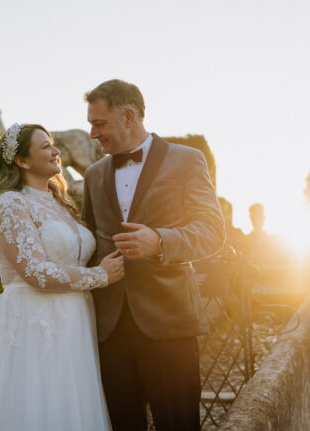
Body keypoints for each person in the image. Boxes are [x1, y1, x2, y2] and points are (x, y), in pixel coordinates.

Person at [0, 123, 124, 431]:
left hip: (76, 323)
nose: (56, 151)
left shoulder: (62, 203)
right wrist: (100, 276)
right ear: (22, 161)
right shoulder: (11, 203)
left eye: (53, 144)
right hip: (34, 323)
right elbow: (35, 271)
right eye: (45, 146)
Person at [81, 79, 226, 431]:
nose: (92, 134)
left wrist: (159, 241)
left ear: (128, 116)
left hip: (170, 324)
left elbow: (212, 231)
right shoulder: (93, 173)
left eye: (99, 124)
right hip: (109, 330)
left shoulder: (187, 160)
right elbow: (87, 242)